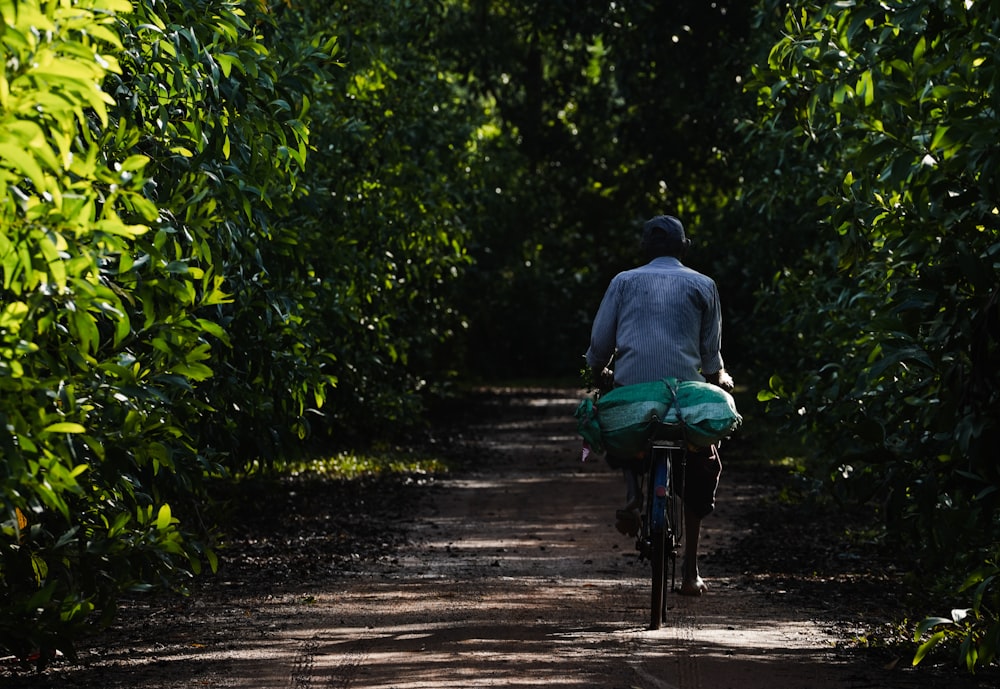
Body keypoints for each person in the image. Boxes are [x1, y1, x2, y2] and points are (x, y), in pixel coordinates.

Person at [585, 214, 734, 597]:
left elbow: (600, 343)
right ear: (684, 248)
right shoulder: (704, 284)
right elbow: (711, 354)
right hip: (683, 393)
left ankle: (633, 490)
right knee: (701, 464)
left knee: (618, 420)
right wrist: (718, 376)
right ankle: (690, 571)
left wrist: (597, 370)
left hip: (634, 389)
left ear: (644, 250)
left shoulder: (624, 281)